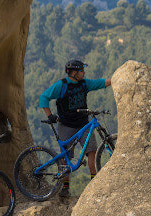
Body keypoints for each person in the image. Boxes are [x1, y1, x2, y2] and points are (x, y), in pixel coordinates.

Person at [39, 59, 111, 197]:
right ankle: (65, 188)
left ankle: (94, 184)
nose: (84, 73)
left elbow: (101, 83)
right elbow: (43, 98)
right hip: (66, 125)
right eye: (81, 71)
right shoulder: (62, 85)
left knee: (92, 152)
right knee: (65, 157)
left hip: (83, 125)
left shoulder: (84, 84)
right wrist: (50, 116)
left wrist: (117, 79)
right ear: (73, 73)